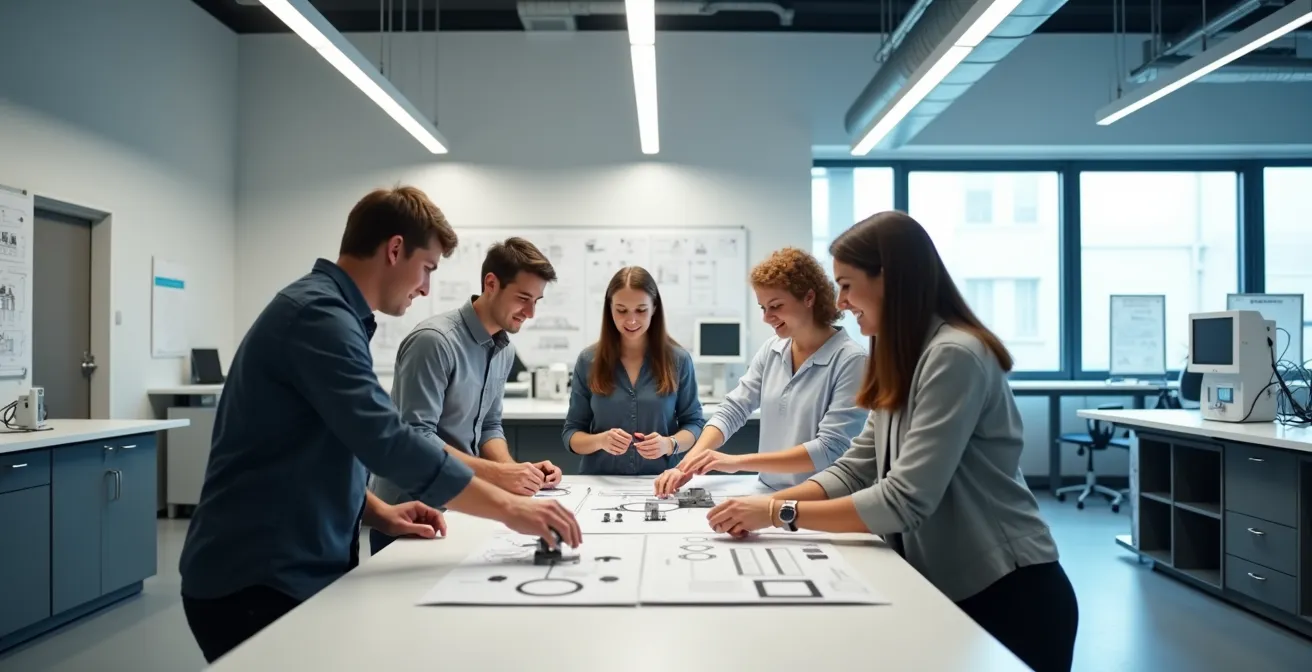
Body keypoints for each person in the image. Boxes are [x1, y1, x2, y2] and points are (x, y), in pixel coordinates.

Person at [177, 187, 581, 664]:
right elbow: (390, 441)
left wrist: (374, 511)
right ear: (394, 251)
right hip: (256, 578)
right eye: (427, 268)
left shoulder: (336, 315)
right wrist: (511, 510)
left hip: (287, 567)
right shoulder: (319, 317)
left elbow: (325, 444)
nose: (427, 287)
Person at [705, 212, 1078, 672]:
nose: (839, 302)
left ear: (890, 279)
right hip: (946, 582)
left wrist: (778, 513)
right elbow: (855, 467)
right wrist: (762, 507)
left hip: (1008, 590)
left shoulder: (954, 355)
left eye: (846, 284)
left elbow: (904, 500)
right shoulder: (900, 353)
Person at [369, 237, 564, 554]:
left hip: (460, 508)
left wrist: (517, 474)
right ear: (491, 283)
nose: (530, 312)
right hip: (411, 514)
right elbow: (417, 437)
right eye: (523, 298)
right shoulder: (434, 342)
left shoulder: (503, 349)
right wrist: (500, 474)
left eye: (537, 301)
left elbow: (489, 425)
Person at [653, 248, 868, 496]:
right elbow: (733, 409)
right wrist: (686, 466)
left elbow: (829, 448)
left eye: (775, 306)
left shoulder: (852, 360)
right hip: (767, 491)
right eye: (763, 307)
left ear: (809, 298)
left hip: (819, 499)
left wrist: (737, 462)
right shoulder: (773, 349)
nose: (767, 318)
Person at [562, 266, 705, 475]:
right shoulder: (588, 361)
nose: (631, 320)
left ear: (654, 308)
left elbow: (694, 423)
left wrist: (669, 444)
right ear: (609, 309)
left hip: (660, 481)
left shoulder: (678, 360)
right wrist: (600, 441)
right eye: (621, 310)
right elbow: (571, 434)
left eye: (641, 310)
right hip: (601, 482)